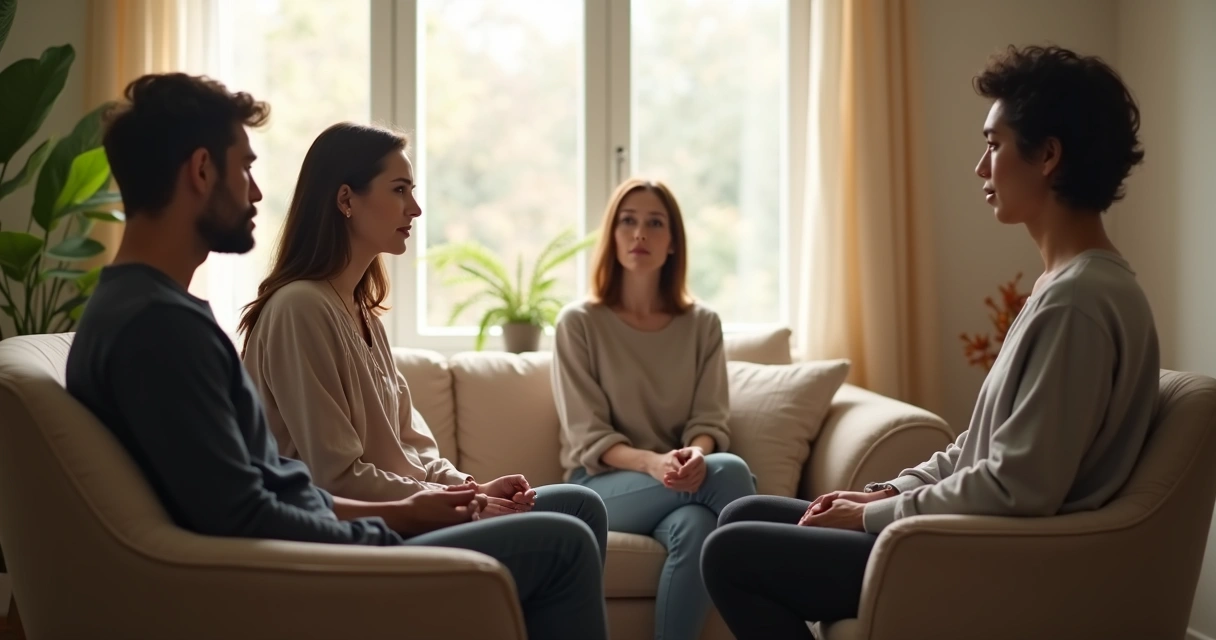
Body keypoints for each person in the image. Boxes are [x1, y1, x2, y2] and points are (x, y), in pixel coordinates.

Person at [65, 73, 609, 640]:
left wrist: (456, 497)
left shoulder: (154, 312)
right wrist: (401, 521)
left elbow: (272, 487)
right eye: (245, 168)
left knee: (575, 509)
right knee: (563, 541)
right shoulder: (161, 326)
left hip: (336, 537)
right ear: (202, 170)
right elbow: (249, 513)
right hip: (313, 574)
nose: (255, 192)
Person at [699, 44, 1160, 639]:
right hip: (970, 537)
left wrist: (869, 517)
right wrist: (883, 490)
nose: (980, 167)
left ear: (1047, 155)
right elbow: (982, 449)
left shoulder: (1080, 302)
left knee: (731, 553)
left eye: (994, 145)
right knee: (744, 512)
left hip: (991, 560)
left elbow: (1017, 488)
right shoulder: (1063, 286)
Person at [236, 121, 608, 559]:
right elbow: (334, 477)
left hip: (407, 511)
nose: (414, 209)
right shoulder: (300, 309)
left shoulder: (361, 312)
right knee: (566, 534)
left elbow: (412, 446)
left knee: (580, 505)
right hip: (361, 532)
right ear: (345, 200)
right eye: (399, 190)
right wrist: (457, 505)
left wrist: (470, 489)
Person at [551, 177, 757, 640]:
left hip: (684, 481)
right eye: (628, 221)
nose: (639, 233)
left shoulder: (702, 324)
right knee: (730, 474)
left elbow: (709, 420)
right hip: (602, 487)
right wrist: (657, 463)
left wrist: (695, 455)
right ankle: (788, 574)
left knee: (697, 524)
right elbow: (590, 438)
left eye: (654, 223)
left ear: (672, 243)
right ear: (613, 236)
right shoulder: (579, 323)